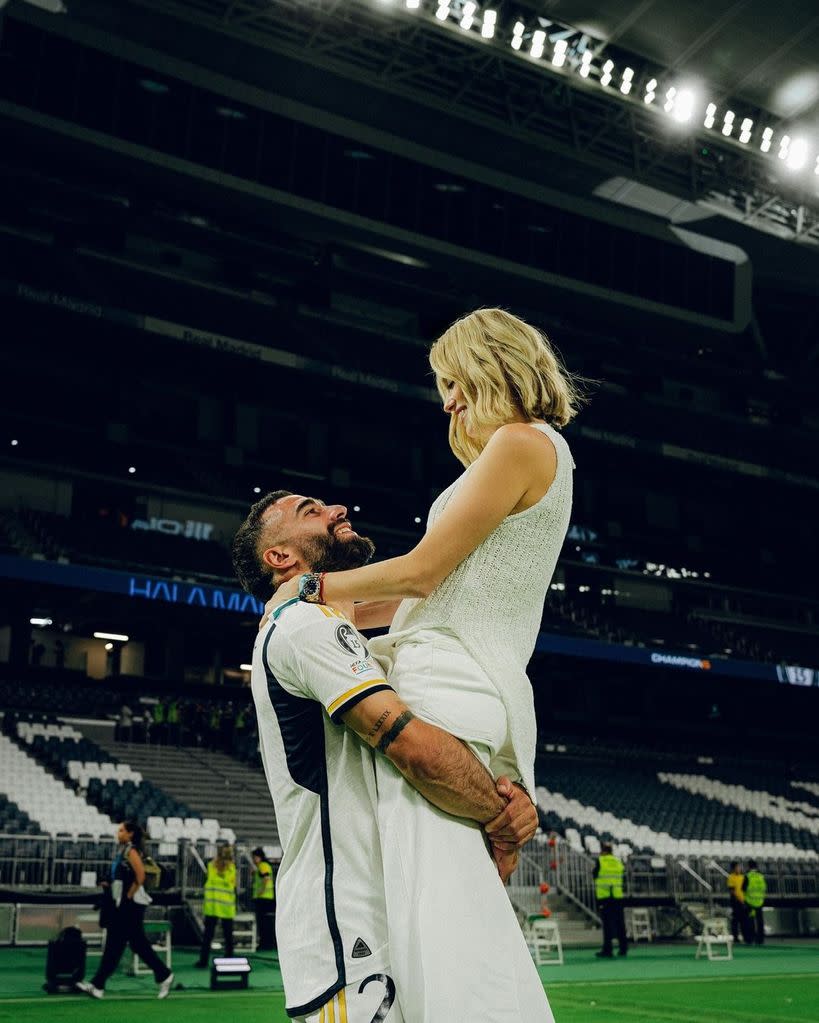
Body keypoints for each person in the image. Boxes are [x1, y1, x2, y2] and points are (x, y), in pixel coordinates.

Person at [258, 307, 580, 1020]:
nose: (446, 401)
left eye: (449, 381)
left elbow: (420, 576)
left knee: (442, 943)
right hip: (465, 683)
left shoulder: (522, 442)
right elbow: (420, 599)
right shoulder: (534, 453)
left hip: (444, 683)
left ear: (486, 363)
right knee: (445, 924)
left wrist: (304, 592)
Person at [233, 494, 541, 1022]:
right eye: (310, 511)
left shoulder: (349, 641)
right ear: (280, 558)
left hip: (389, 922)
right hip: (349, 940)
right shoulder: (302, 626)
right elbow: (413, 747)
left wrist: (508, 799)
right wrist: (498, 814)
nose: (334, 507)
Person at [76, 819, 174, 999]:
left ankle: (163, 974)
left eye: (121, 830)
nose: (118, 833)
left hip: (130, 905)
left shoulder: (131, 851)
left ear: (130, 834)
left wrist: (128, 896)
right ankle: (99, 985)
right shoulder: (124, 851)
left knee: (124, 944)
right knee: (126, 944)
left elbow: (140, 876)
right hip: (124, 903)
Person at [195, 843, 236, 967]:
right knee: (228, 936)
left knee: (208, 936)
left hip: (212, 906)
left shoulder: (211, 866)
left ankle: (203, 961)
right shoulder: (232, 868)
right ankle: (229, 959)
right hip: (226, 907)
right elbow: (233, 885)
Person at [594, 841, 627, 958]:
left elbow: (595, 875)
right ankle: (623, 949)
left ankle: (608, 950)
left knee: (607, 925)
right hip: (618, 897)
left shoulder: (600, 861)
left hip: (605, 898)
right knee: (620, 924)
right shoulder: (618, 862)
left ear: (603, 851)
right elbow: (624, 876)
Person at [251, 846, 276, 951]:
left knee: (263, 923)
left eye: (254, 857)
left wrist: (261, 891)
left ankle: (265, 944)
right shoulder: (264, 866)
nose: (253, 860)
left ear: (259, 857)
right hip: (266, 898)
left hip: (263, 899)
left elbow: (266, 878)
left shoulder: (263, 865)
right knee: (266, 923)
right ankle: (267, 943)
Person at [743, 859, 767, 945]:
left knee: (750, 920)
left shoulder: (747, 876)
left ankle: (750, 939)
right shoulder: (761, 876)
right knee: (760, 920)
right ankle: (760, 939)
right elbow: (764, 888)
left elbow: (743, 889)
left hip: (750, 902)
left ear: (748, 866)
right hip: (759, 901)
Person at [727, 860, 747, 942]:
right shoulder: (731, 877)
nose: (739, 868)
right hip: (736, 901)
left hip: (744, 900)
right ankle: (735, 937)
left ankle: (745, 936)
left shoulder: (743, 877)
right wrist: (738, 899)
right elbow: (732, 890)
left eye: (739, 867)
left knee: (744, 920)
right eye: (737, 867)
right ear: (733, 868)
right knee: (735, 920)